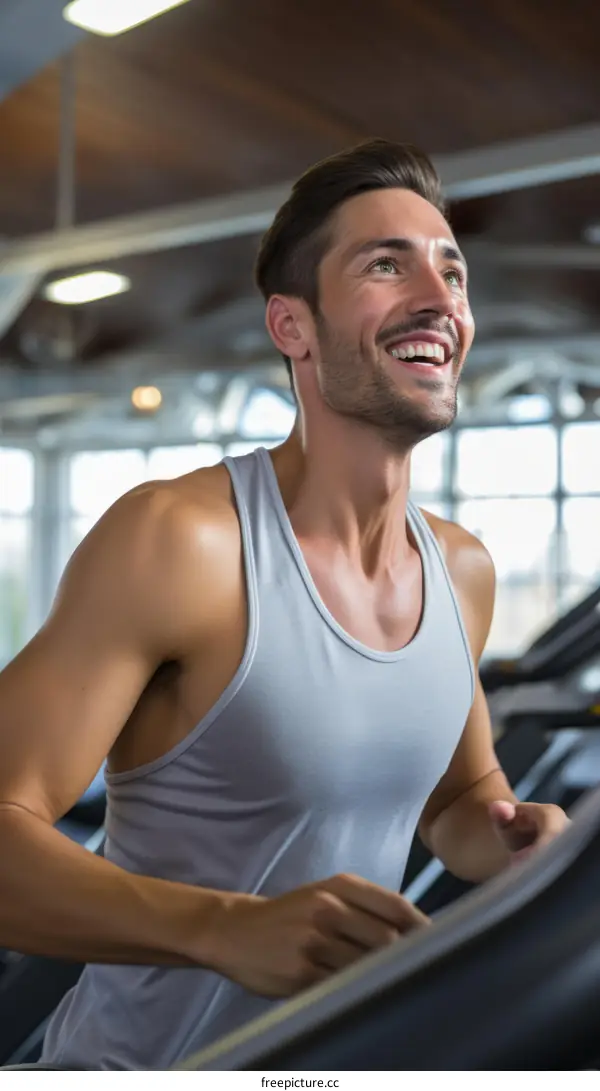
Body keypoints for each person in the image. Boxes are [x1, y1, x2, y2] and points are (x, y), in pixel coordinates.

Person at [0, 140, 568, 1071]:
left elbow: (462, 797)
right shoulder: (181, 540)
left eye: (452, 270)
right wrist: (226, 928)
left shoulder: (461, 569)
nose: (440, 297)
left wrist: (516, 840)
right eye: (386, 264)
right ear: (292, 326)